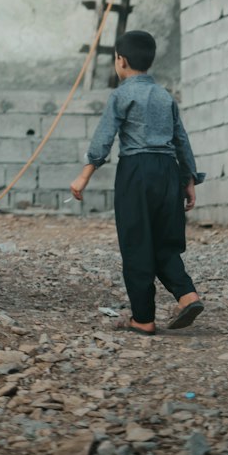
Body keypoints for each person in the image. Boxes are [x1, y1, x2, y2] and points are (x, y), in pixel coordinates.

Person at [70, 29, 204, 336]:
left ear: (121, 61)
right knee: (164, 242)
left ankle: (143, 318)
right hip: (168, 171)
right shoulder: (164, 96)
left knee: (136, 243)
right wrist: (189, 180)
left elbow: (104, 138)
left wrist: (84, 175)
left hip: (137, 172)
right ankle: (187, 295)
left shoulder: (122, 95)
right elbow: (181, 140)